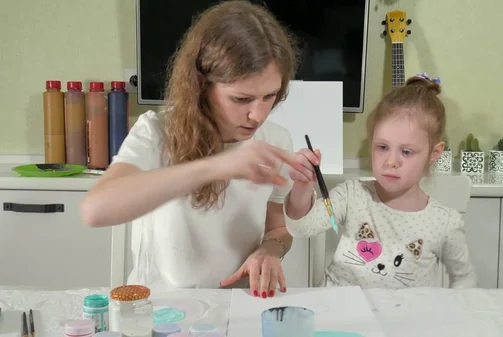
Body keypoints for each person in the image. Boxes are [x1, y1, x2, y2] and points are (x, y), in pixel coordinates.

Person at [80, 0, 304, 299]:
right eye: (241, 99)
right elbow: (95, 209)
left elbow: (278, 228)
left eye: (270, 96)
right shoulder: (156, 133)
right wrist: (217, 165)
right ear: (201, 83)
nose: (258, 115)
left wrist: (269, 251)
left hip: (239, 304)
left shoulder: (276, 139)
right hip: (162, 306)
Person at [284, 74, 478, 289]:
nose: (391, 161)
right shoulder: (352, 195)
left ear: (434, 153)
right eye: (382, 147)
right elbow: (300, 228)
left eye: (406, 151)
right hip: (340, 314)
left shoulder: (445, 222)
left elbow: (464, 278)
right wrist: (302, 185)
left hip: (404, 319)